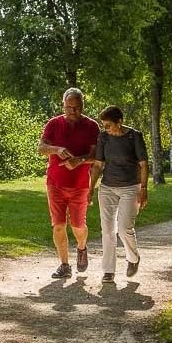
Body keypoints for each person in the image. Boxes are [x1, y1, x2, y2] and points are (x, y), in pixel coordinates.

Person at [39, 87, 99, 278]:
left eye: (77, 107)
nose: (73, 111)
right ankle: (64, 265)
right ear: (63, 106)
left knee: (78, 226)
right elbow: (42, 148)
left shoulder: (91, 126)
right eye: (69, 107)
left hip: (80, 184)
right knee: (58, 225)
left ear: (83, 105)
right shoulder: (54, 124)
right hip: (55, 183)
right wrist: (56, 149)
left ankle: (82, 247)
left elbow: (96, 156)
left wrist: (80, 160)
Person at [91, 105, 149, 282]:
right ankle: (108, 271)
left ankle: (133, 258)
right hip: (107, 187)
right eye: (104, 126)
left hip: (130, 187)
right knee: (107, 229)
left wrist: (144, 189)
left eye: (108, 125)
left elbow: (144, 165)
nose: (106, 129)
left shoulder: (134, 136)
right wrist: (90, 188)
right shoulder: (104, 137)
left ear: (120, 122)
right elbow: (98, 165)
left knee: (124, 228)